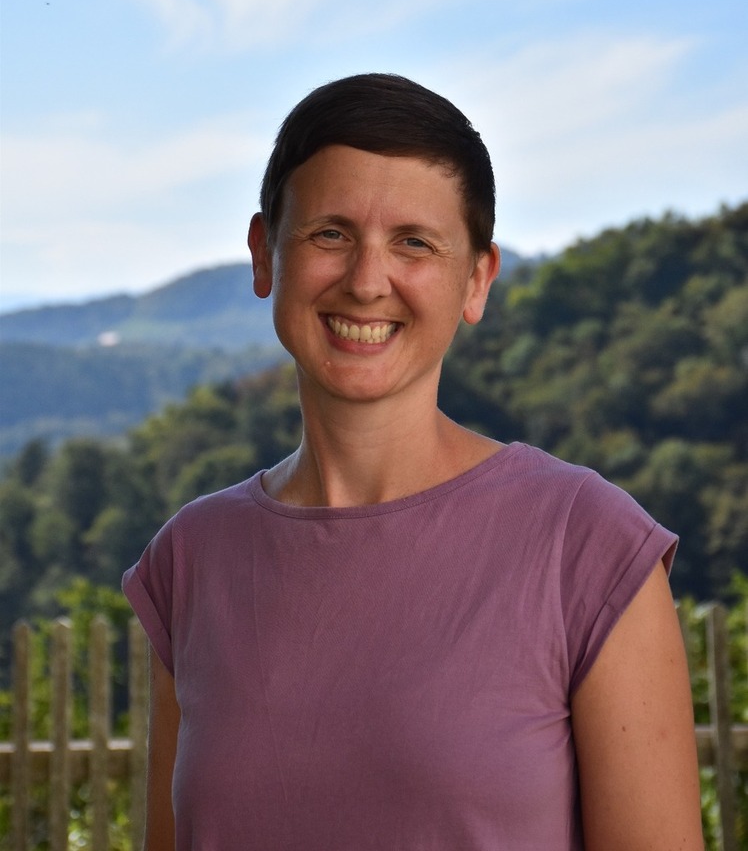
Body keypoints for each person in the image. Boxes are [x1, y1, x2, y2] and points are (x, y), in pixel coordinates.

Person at [123, 73, 703, 850]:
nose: (367, 282)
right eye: (330, 234)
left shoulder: (589, 547)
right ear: (265, 255)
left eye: (414, 243)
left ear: (477, 280)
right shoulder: (191, 559)